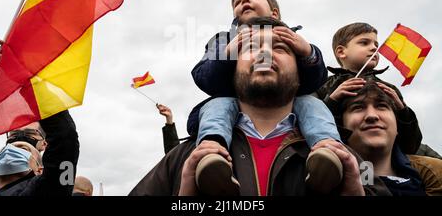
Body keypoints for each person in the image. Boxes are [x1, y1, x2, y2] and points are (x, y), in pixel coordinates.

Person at [129, 17, 384, 196]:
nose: (265, 55)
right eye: (250, 47)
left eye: (280, 47)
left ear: (300, 71)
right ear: (233, 68)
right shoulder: (186, 157)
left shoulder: (350, 160)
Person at [187, 0, 343, 194]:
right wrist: (229, 53)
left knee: (312, 103)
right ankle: (211, 153)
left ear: (275, 12)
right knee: (218, 105)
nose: (244, 1)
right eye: (238, 1)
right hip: (232, 101)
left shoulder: (290, 37)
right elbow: (204, 77)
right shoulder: (223, 40)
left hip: (290, 103)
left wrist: (308, 53)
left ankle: (328, 151)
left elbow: (316, 80)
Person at [314, 22, 422, 155]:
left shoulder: (389, 90)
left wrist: (403, 111)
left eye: (376, 44)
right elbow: (315, 126)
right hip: (340, 156)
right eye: (364, 43)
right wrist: (333, 101)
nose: (374, 49)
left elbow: (410, 145)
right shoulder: (323, 85)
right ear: (341, 52)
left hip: (388, 160)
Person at [335, 81, 442, 195]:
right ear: (341, 126)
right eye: (358, 107)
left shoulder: (434, 173)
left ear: (397, 126)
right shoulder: (325, 181)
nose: (372, 115)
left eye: (381, 106)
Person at [0, 110, 79, 196]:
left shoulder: (44, 189)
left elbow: (66, 141)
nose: (19, 137)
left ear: (39, 170)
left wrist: (44, 102)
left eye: (29, 133)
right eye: (14, 134)